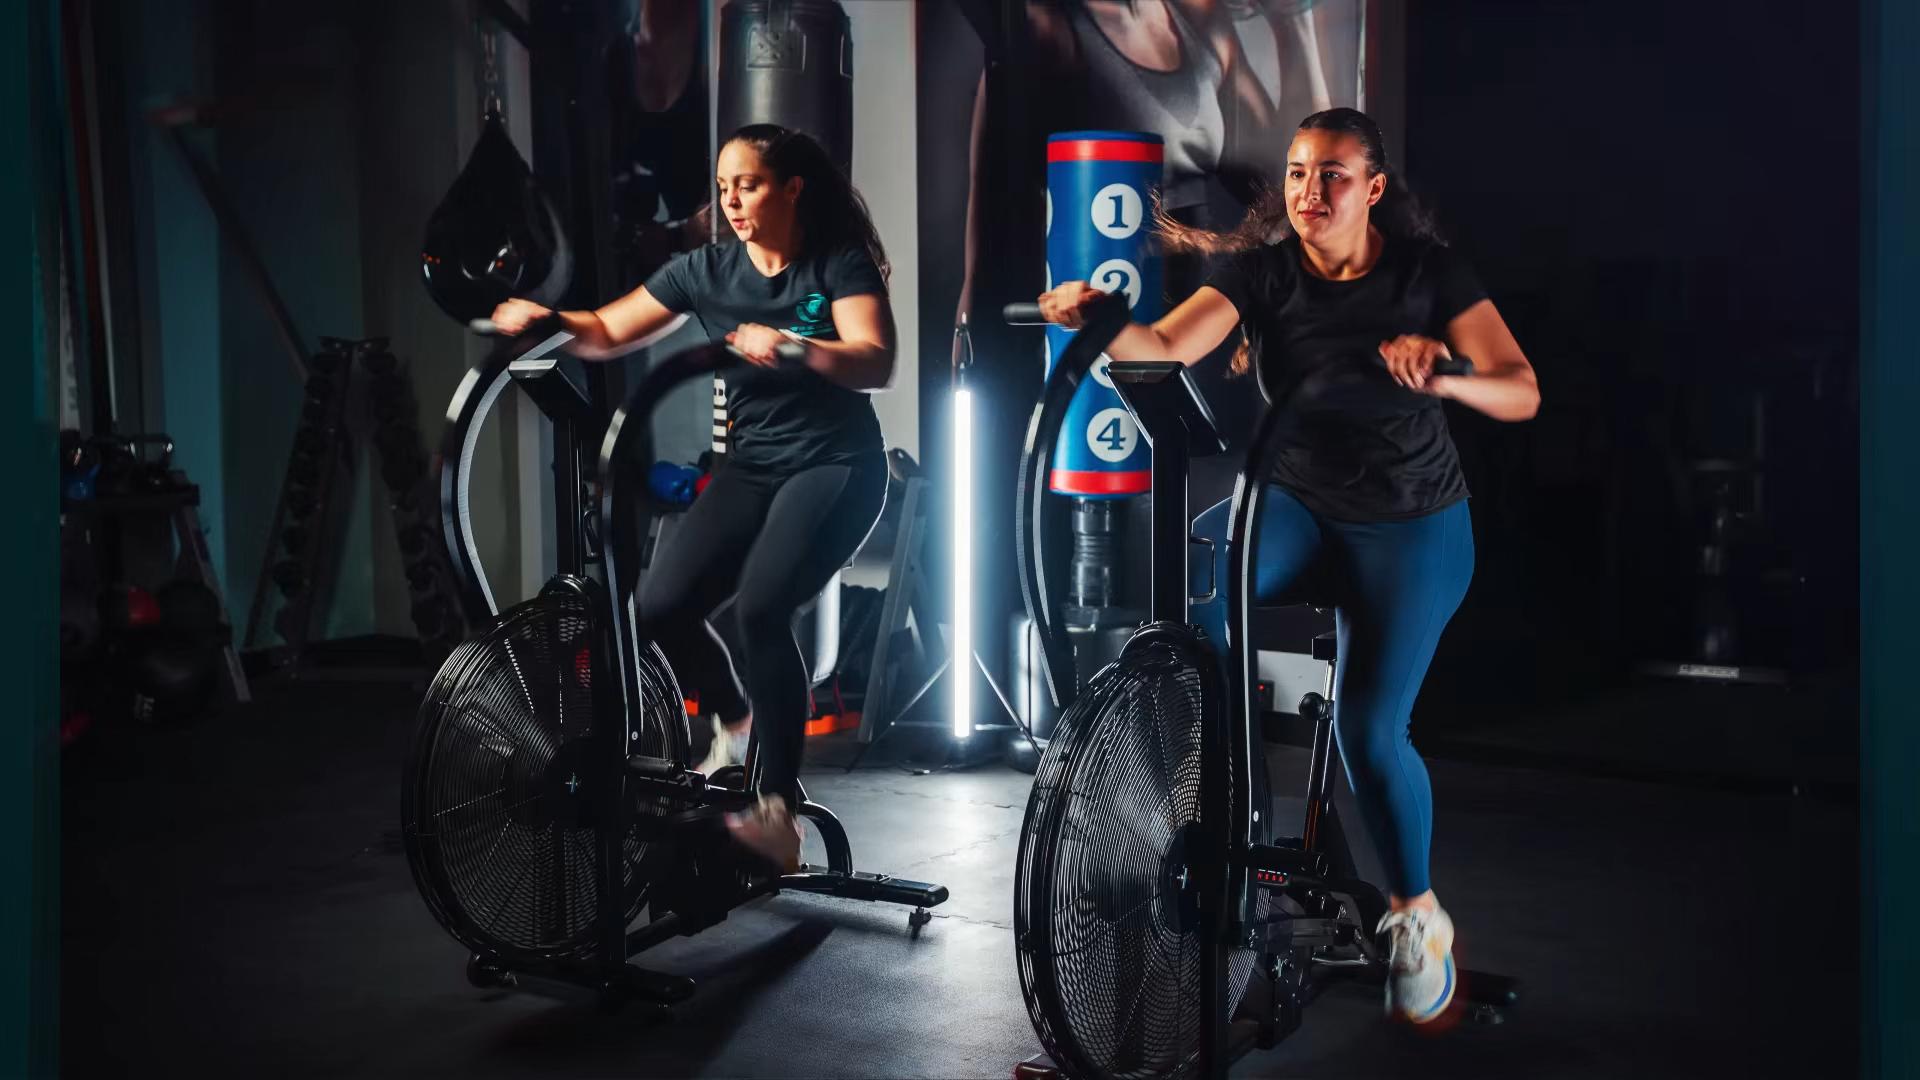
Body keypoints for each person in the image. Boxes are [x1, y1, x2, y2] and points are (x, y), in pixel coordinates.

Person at [1035, 107, 1539, 1024]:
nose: (1311, 191)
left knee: (1369, 732)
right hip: (1296, 502)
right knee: (1195, 618)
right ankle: (1237, 815)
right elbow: (1163, 348)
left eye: (1333, 174)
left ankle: (1416, 916)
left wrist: (1446, 371)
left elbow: (1521, 389)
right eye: (1300, 173)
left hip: (1410, 522)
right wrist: (1105, 318)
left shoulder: (1427, 274)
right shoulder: (1261, 272)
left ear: (1373, 188)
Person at [490, 125, 896, 874]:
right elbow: (606, 329)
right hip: (753, 463)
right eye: (724, 187)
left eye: (749, 184)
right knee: (659, 609)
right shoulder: (705, 271)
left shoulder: (835, 261)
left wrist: (798, 347)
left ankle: (779, 814)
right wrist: (548, 320)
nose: (732, 201)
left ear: (791, 189)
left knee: (761, 609)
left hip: (837, 466)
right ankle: (734, 724)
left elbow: (876, 360)